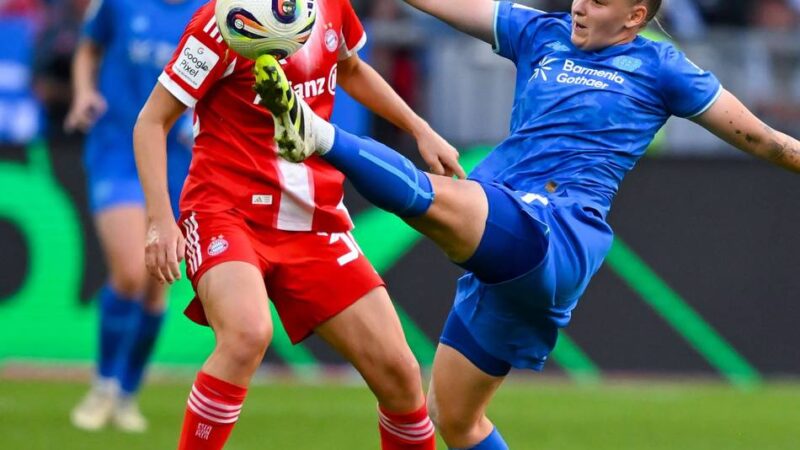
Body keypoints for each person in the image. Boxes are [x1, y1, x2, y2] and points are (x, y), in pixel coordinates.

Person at [253, 0, 800, 448]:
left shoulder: (663, 68)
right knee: (456, 419)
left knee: (440, 198)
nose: (581, 7)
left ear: (635, 16)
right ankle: (322, 141)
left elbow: (762, 138)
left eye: (599, 3)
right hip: (505, 237)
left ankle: (317, 138)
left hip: (557, 233)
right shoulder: (541, 32)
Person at [133, 0, 463, 448]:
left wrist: (419, 127)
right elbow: (152, 120)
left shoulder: (333, 6)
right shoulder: (221, 20)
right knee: (247, 334)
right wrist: (159, 220)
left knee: (400, 374)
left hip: (313, 218)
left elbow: (349, 69)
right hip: (225, 211)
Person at [65, 0, 202, 432]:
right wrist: (85, 92)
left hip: (180, 162)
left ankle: (127, 393)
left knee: (157, 287)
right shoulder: (119, 3)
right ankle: (103, 385)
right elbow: (89, 47)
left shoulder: (212, 11)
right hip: (118, 148)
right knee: (129, 271)